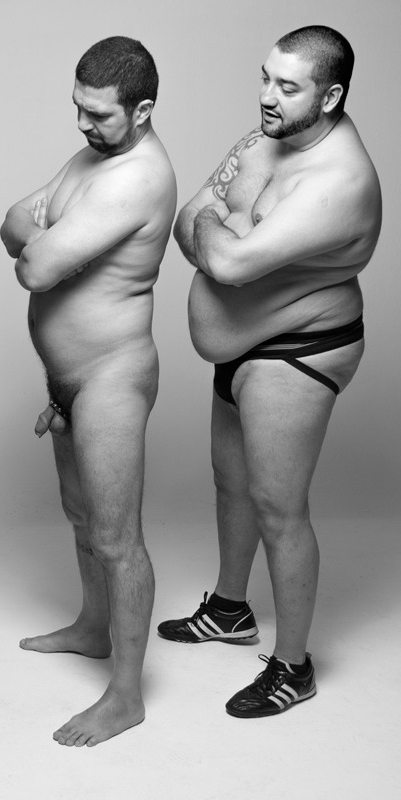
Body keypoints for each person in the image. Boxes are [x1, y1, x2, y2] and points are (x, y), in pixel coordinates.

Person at [160, 25, 381, 718]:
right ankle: (230, 609)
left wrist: (220, 225)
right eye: (265, 77)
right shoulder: (269, 136)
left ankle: (293, 666)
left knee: (280, 509)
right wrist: (220, 225)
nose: (266, 96)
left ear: (330, 96)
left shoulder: (338, 182)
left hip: (298, 351)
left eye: (287, 86)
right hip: (244, 344)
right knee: (233, 485)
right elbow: (186, 217)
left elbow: (224, 260)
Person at [0, 36, 176, 747]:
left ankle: (126, 697)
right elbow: (12, 222)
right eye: (78, 107)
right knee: (81, 519)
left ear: (143, 110)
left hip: (111, 378)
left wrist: (44, 236)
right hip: (68, 380)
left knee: (116, 538)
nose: (82, 123)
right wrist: (41, 234)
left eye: (98, 114)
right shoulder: (90, 158)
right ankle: (93, 627)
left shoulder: (137, 177)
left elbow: (33, 267)